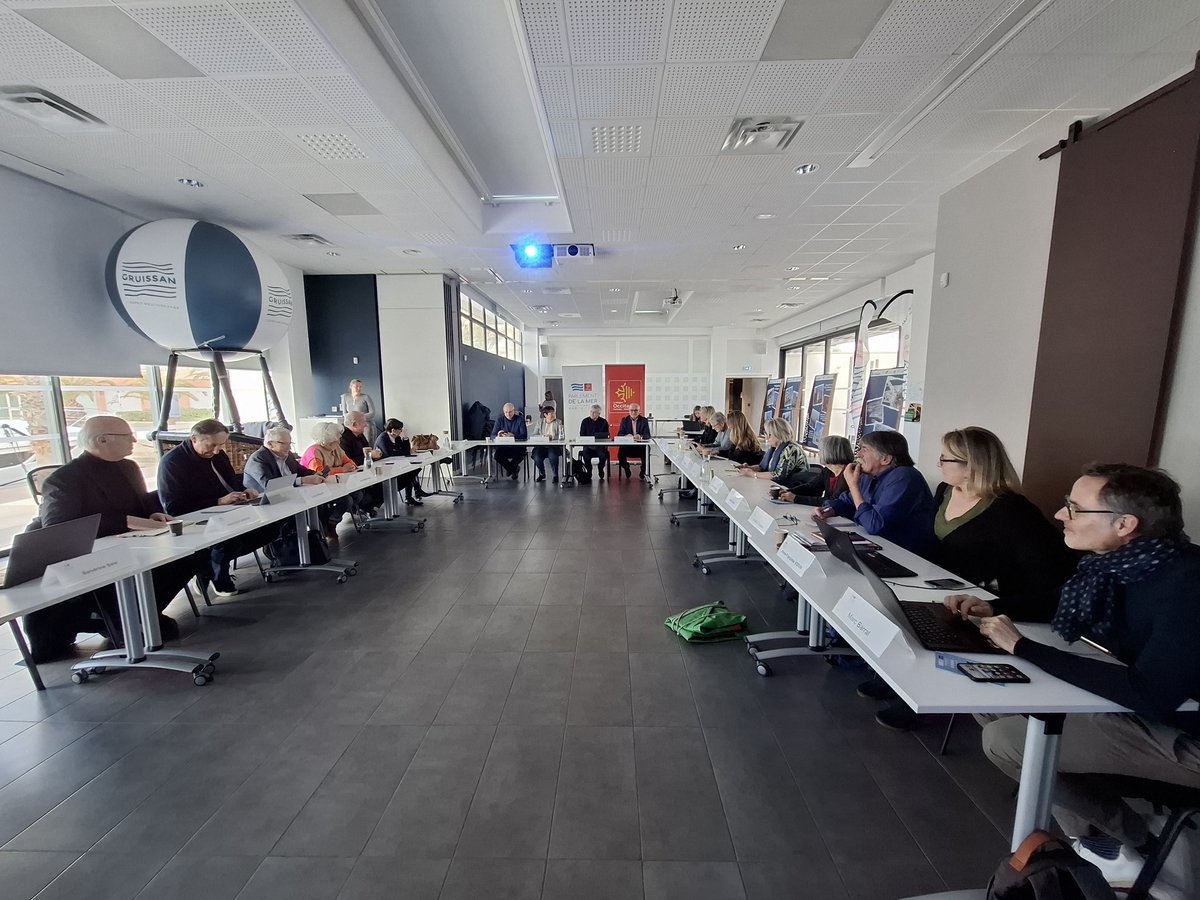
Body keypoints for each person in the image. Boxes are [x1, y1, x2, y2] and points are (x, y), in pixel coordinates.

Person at [968, 464, 1200, 890]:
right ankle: (1113, 842)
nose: (1060, 515)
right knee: (989, 700)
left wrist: (1022, 647)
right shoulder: (1113, 566)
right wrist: (995, 607)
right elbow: (1057, 604)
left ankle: (1134, 845)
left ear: (1125, 525)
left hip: (1185, 731)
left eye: (1074, 508)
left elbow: (1150, 693)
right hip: (1147, 705)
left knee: (1007, 740)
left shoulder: (1187, 582)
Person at [863, 426, 1077, 730]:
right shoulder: (945, 491)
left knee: (934, 623)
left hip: (993, 599)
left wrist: (998, 599)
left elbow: (1044, 571)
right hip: (943, 584)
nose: (938, 464)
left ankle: (921, 696)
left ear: (972, 465)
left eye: (946, 459)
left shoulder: (1012, 509)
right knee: (894, 607)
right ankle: (894, 678)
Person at [26, 417, 193, 661]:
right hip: (92, 557)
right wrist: (126, 521)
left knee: (189, 557)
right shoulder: (64, 479)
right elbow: (59, 527)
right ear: (102, 440)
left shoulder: (128, 467)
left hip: (136, 544)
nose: (134, 440)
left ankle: (140, 612)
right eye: (127, 436)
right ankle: (122, 619)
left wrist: (152, 514)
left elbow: (141, 502)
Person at [157, 418, 278, 596]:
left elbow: (231, 482)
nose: (216, 450)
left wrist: (244, 491)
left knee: (270, 526)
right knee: (229, 536)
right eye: (212, 445)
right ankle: (215, 573)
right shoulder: (172, 463)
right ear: (194, 439)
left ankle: (209, 566)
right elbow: (175, 507)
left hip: (226, 511)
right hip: (194, 518)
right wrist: (219, 501)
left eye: (221, 445)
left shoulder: (218, 455)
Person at [816, 429, 934, 554]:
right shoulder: (869, 475)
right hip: (876, 545)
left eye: (864, 449)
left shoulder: (904, 477)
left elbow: (875, 525)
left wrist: (853, 486)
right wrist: (829, 510)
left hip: (905, 555)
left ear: (885, 459)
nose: (858, 454)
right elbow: (847, 502)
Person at [301, 420, 360, 539]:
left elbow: (350, 462)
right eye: (336, 439)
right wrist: (342, 469)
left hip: (336, 485)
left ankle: (330, 518)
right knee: (346, 500)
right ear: (326, 441)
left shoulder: (336, 448)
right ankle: (331, 523)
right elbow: (319, 473)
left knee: (358, 494)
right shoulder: (314, 451)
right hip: (316, 489)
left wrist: (348, 466)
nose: (339, 441)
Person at [243, 425, 326, 494]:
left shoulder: (287, 454)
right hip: (264, 500)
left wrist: (315, 474)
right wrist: (302, 480)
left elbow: (301, 471)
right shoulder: (258, 458)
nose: (289, 448)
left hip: (289, 494)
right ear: (270, 444)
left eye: (290, 444)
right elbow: (270, 485)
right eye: (284, 444)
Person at [781, 434, 853, 505]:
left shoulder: (849, 473)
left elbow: (833, 501)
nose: (818, 453)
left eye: (820, 450)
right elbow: (812, 487)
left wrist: (796, 498)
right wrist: (788, 491)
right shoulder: (827, 471)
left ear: (830, 453)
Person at [374, 418, 427, 506]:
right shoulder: (383, 439)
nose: (401, 431)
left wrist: (405, 438)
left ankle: (411, 495)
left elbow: (405, 449)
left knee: (411, 471)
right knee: (409, 473)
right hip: (384, 467)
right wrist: (408, 451)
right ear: (393, 430)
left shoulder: (396, 437)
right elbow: (390, 454)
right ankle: (414, 493)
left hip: (395, 463)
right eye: (400, 429)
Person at [339, 411, 383, 514]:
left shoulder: (360, 435)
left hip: (365, 470)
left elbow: (367, 450)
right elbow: (347, 460)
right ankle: (363, 507)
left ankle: (369, 506)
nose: (366, 425)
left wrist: (374, 455)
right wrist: (370, 455)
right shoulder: (343, 438)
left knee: (383, 482)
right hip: (352, 476)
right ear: (354, 424)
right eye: (364, 422)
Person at [738, 418, 806, 484]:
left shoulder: (791, 449)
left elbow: (778, 476)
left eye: (769, 435)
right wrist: (748, 468)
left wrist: (752, 474)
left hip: (792, 486)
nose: (766, 437)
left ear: (779, 435)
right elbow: (762, 467)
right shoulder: (774, 448)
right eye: (766, 434)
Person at [491, 402, 528, 481]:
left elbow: (524, 435)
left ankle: (512, 469)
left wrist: (513, 436)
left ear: (514, 411)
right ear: (503, 412)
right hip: (504, 446)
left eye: (510, 412)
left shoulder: (520, 419)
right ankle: (513, 469)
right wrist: (499, 435)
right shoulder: (499, 420)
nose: (508, 414)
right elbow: (492, 435)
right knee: (497, 456)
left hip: (518, 447)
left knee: (519, 455)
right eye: (506, 412)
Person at [616, 402, 651, 480]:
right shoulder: (624, 420)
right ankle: (626, 467)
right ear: (629, 411)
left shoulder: (644, 420)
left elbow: (647, 435)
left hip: (640, 447)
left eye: (636, 410)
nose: (633, 412)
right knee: (620, 453)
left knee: (647, 450)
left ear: (639, 411)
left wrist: (640, 436)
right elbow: (620, 434)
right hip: (628, 447)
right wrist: (626, 436)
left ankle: (643, 470)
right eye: (631, 410)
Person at [578, 404, 610, 481]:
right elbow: (582, 435)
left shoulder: (604, 422)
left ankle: (600, 468)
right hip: (588, 446)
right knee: (586, 454)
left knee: (603, 454)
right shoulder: (585, 421)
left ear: (599, 414)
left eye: (594, 412)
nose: (592, 413)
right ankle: (589, 470)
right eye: (591, 411)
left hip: (600, 446)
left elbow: (606, 435)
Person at [531, 408, 564, 482]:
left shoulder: (558, 422)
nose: (554, 415)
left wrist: (552, 437)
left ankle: (555, 475)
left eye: (554, 413)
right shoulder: (540, 422)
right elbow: (533, 435)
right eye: (551, 414)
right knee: (536, 456)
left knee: (552, 455)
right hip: (542, 446)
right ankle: (542, 474)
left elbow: (561, 436)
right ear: (545, 415)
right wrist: (543, 437)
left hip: (554, 446)